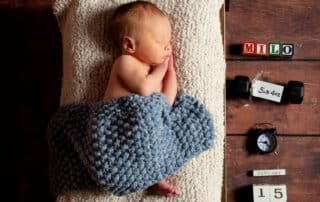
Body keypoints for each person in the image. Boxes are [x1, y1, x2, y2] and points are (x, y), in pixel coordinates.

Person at [103, 1, 181, 197]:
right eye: (159, 41)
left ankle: (157, 180)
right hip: (117, 128)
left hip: (141, 133)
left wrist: (171, 71)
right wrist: (162, 69)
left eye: (168, 41)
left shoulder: (153, 73)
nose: (167, 46)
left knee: (158, 144)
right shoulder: (125, 62)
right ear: (130, 44)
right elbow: (144, 89)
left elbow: (166, 102)